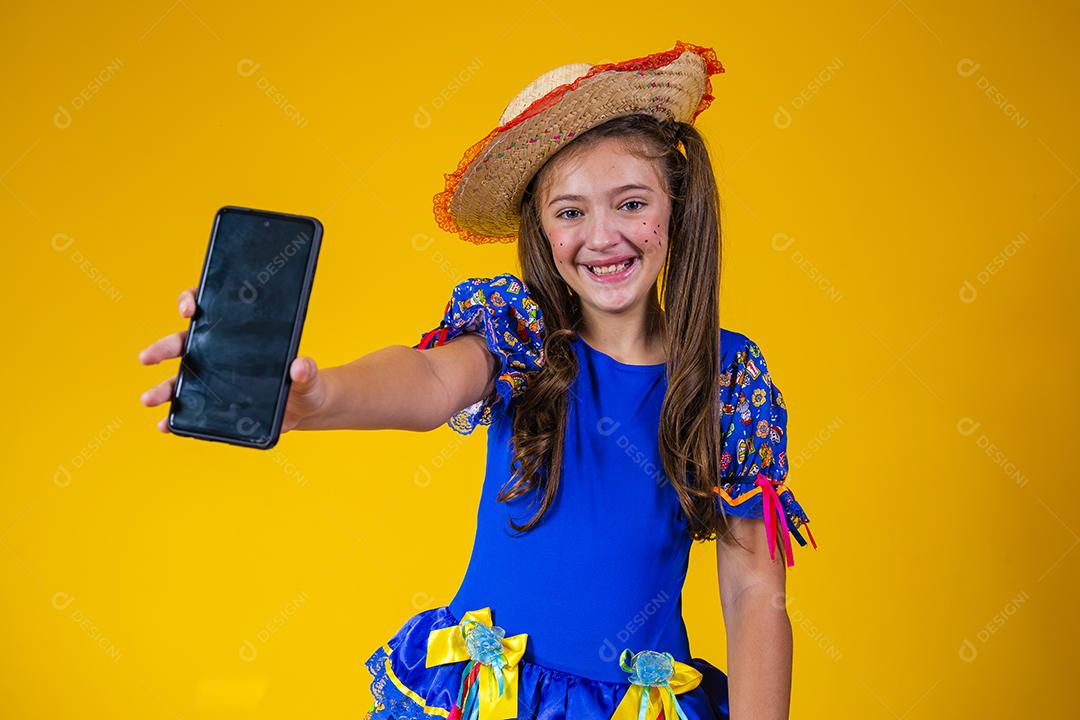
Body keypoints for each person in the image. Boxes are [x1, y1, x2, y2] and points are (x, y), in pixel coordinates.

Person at [138, 40, 816, 720]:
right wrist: (313, 400)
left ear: (676, 207)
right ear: (542, 230)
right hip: (490, 696)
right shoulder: (518, 330)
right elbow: (431, 381)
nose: (603, 236)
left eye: (631, 204)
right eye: (570, 211)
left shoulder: (728, 377)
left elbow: (755, 591)